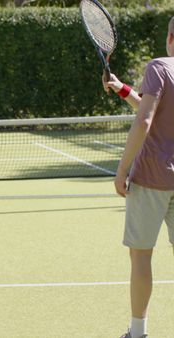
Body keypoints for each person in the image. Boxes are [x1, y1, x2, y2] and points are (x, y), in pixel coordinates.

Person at [103, 16, 174, 338]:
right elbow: (154, 110)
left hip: (151, 178)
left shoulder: (160, 67)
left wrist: (122, 169)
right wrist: (122, 89)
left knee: (141, 254)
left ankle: (137, 332)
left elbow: (145, 121)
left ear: (170, 38)